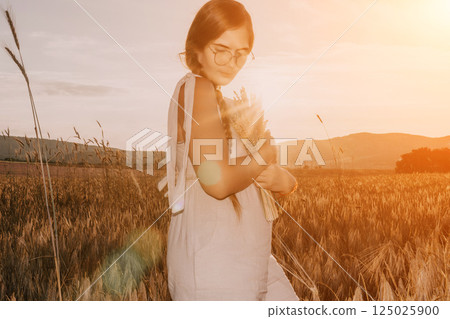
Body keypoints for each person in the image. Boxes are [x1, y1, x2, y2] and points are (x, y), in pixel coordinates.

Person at [166, 0, 299, 301]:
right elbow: (218, 182)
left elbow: (238, 171)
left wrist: (285, 181)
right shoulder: (197, 88)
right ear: (196, 47)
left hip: (245, 262)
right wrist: (263, 156)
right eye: (221, 49)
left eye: (241, 53)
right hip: (215, 267)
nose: (231, 62)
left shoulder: (215, 99)